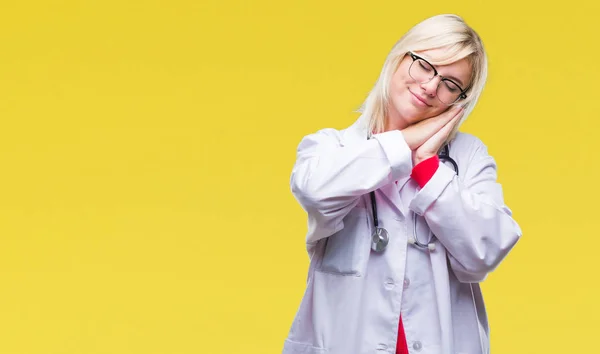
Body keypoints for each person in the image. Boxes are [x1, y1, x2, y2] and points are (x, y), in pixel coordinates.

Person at [282, 14, 522, 354]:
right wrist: (403, 143)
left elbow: (485, 251)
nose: (430, 86)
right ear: (400, 56)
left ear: (459, 102)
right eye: (425, 65)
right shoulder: (330, 148)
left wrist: (427, 167)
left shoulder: (468, 158)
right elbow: (315, 191)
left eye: (450, 84)